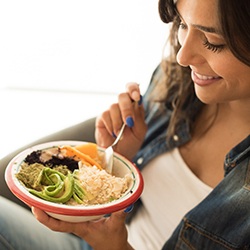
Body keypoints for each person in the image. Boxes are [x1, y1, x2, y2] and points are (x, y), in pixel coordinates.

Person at [0, 0, 250, 249]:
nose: (183, 56)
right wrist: (119, 161)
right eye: (182, 23)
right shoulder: (178, 82)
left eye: (213, 42)